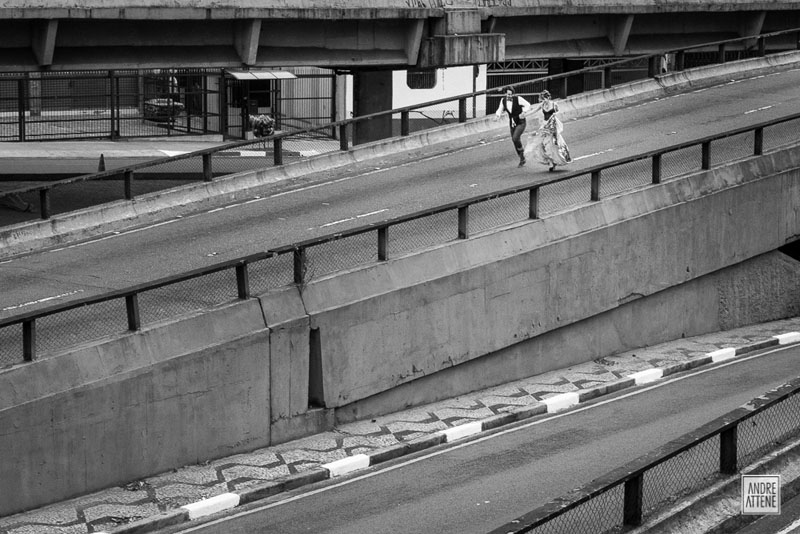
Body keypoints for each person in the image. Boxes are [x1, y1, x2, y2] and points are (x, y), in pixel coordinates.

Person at [524, 90, 572, 172]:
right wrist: (525, 115)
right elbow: (534, 110)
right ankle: (551, 162)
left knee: (553, 144)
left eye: (544, 99)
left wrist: (553, 119)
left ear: (548, 98)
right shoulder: (542, 105)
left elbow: (558, 113)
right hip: (544, 126)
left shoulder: (554, 104)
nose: (543, 101)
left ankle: (556, 160)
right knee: (543, 144)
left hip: (552, 125)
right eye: (542, 99)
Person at [495, 86, 531, 167]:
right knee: (514, 141)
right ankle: (522, 158)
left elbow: (528, 105)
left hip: (521, 121)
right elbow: (500, 109)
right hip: (512, 122)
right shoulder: (503, 100)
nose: (510, 96)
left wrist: (524, 112)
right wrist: (497, 116)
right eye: (508, 94)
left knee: (515, 138)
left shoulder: (518, 99)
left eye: (511, 94)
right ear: (505, 94)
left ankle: (522, 154)